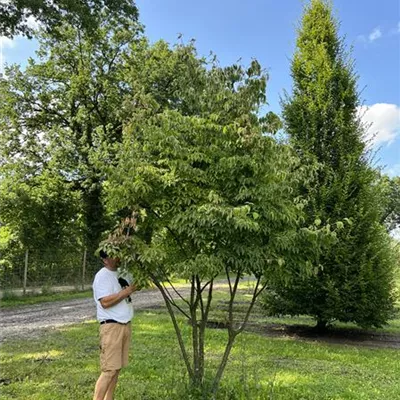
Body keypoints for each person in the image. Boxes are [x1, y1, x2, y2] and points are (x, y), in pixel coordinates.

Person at [92, 250, 138, 400]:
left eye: (119, 253)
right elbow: (105, 302)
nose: (118, 257)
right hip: (111, 327)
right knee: (109, 370)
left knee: (116, 369)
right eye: (113, 255)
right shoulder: (102, 276)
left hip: (125, 326)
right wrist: (126, 292)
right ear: (105, 260)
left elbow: (138, 284)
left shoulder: (123, 273)